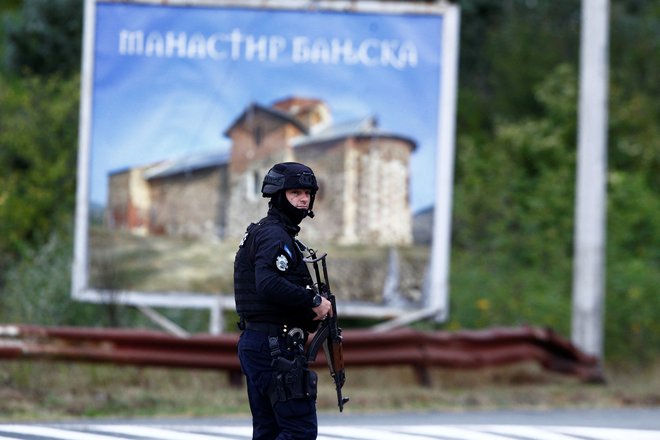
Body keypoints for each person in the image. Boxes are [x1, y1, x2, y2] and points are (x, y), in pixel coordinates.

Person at [234, 162, 332, 440]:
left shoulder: (268, 233)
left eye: (307, 193)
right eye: (295, 192)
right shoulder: (275, 237)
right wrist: (314, 300)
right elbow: (267, 284)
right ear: (279, 196)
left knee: (268, 431)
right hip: (275, 348)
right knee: (298, 431)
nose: (303, 199)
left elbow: (274, 291)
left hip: (262, 344)